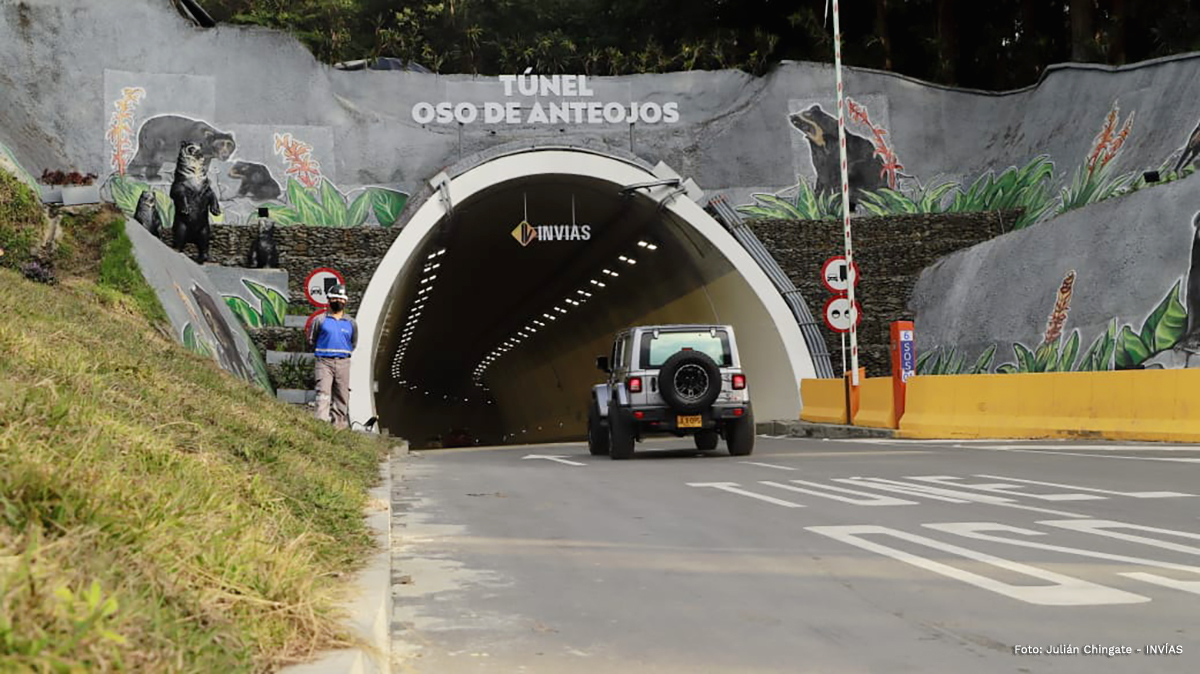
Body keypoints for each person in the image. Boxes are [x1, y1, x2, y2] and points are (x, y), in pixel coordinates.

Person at [306, 284, 357, 429]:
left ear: (345, 301)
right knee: (323, 392)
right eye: (334, 298)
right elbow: (312, 339)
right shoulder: (320, 320)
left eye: (340, 298)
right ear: (328, 300)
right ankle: (320, 425)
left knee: (342, 394)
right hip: (324, 361)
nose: (337, 301)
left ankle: (339, 426)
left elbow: (353, 342)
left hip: (343, 361)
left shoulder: (350, 323)